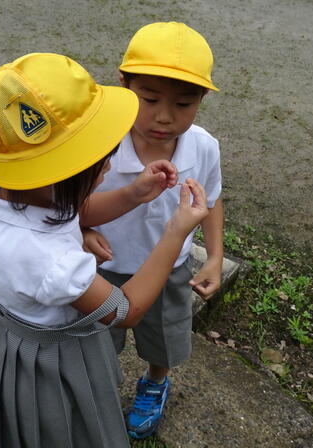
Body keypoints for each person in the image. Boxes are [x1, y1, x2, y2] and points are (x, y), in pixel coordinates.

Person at [0, 52, 209, 448]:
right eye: (101, 164)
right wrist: (175, 233)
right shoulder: (53, 263)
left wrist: (133, 193)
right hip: (50, 358)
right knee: (65, 428)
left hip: (16, 329)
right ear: (59, 177)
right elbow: (124, 311)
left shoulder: (7, 188)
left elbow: (71, 209)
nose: (108, 167)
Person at [81, 22, 223, 439]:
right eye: (149, 98)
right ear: (122, 83)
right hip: (101, 270)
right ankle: (100, 388)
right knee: (97, 342)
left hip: (171, 270)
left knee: (164, 338)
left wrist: (214, 256)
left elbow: (210, 201)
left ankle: (155, 382)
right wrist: (83, 228)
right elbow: (66, 202)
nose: (164, 116)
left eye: (183, 103)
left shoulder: (203, 147)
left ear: (201, 100)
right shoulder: (97, 143)